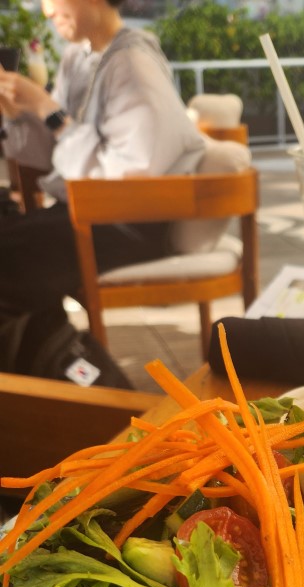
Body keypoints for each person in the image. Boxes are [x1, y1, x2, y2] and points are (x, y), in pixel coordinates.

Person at [0, 0, 206, 380]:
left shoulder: (133, 63)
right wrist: (19, 113)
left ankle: (55, 386)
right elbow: (58, 156)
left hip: (128, 222)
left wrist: (48, 110)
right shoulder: (77, 58)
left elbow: (128, 177)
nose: (46, 11)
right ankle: (61, 374)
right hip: (86, 212)